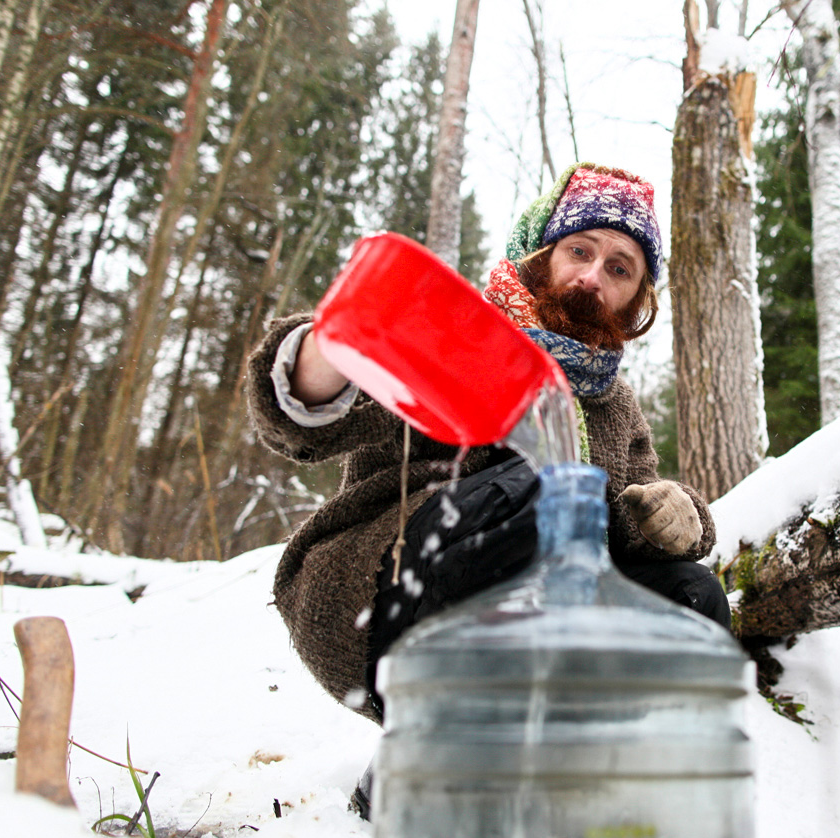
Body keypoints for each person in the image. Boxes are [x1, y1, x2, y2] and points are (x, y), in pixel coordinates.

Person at [245, 163, 730, 736]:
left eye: (618, 268)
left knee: (693, 596)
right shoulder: (455, 332)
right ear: (543, 254)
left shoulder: (614, 407)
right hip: (387, 593)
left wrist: (675, 515)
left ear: (632, 301)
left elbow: (628, 516)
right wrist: (325, 354)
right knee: (547, 496)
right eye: (580, 250)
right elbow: (305, 421)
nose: (592, 276)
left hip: (550, 618)